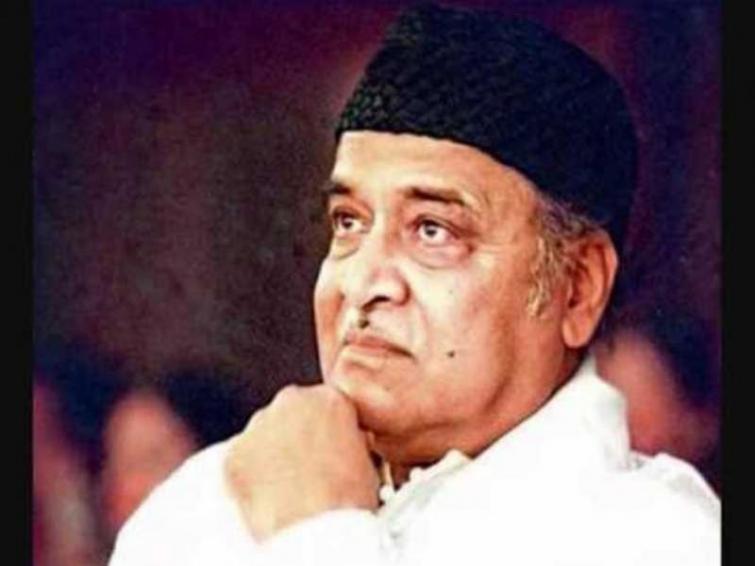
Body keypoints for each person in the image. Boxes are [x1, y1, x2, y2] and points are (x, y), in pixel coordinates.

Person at [109, 4, 720, 566]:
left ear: (578, 287)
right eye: (349, 223)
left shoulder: (656, 537)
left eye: (433, 231)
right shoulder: (207, 505)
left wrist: (318, 537)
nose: (362, 282)